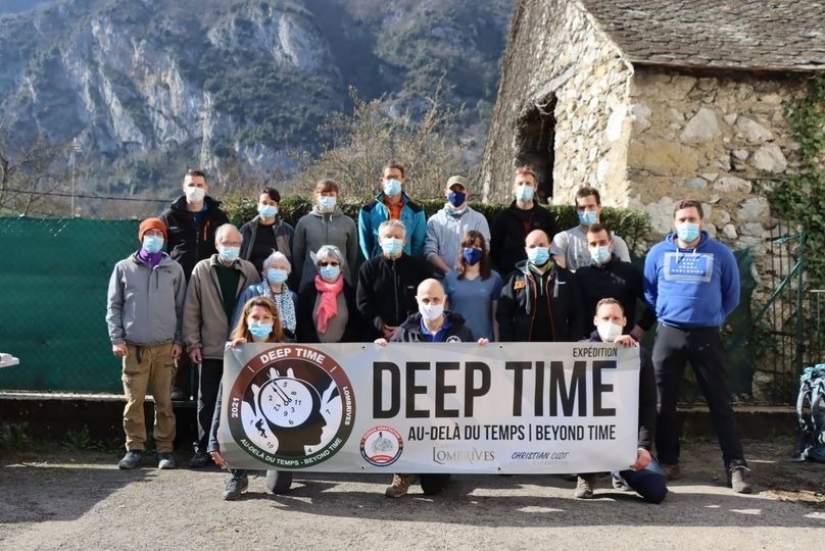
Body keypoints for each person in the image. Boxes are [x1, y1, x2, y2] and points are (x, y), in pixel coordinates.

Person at [644, 199, 751, 494]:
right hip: (669, 334)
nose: (687, 224)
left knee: (720, 402)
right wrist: (666, 312)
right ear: (674, 223)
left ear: (702, 222)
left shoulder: (721, 254)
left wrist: (712, 315)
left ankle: (736, 465)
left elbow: (732, 295)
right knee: (662, 402)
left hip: (706, 336)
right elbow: (650, 291)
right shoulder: (658, 253)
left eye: (692, 219)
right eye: (682, 219)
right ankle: (669, 461)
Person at [375, 278, 489, 498]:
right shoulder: (404, 333)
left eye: (436, 299)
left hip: (447, 413)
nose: (431, 304)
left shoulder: (462, 332)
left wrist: (483, 352)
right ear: (417, 300)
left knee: (433, 488)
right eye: (426, 300)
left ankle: (440, 466)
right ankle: (404, 473)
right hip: (413, 410)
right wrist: (380, 349)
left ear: (444, 300)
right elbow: (388, 365)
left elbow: (475, 369)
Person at [105, 218, 186, 470]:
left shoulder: (174, 269)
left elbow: (182, 308)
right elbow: (114, 306)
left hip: (165, 348)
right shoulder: (123, 268)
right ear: (141, 237)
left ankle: (165, 450)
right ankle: (134, 449)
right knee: (134, 402)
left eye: (159, 234)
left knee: (165, 402)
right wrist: (117, 338)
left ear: (164, 238)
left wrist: (179, 341)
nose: (154, 237)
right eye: (149, 233)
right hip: (133, 348)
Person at [574, 298, 668, 504]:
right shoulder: (578, 352)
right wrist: (611, 354)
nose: (611, 323)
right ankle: (587, 475)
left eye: (616, 318)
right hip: (588, 439)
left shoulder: (638, 355)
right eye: (605, 318)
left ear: (624, 321)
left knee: (656, 491)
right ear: (595, 321)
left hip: (624, 442)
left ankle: (618, 471)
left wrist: (643, 447)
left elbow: (648, 404)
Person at [183, 224, 260, 469]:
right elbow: (191, 309)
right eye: (226, 243)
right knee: (207, 400)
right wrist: (193, 344)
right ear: (217, 245)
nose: (231, 247)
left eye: (236, 243)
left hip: (241, 350)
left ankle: (238, 448)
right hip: (211, 348)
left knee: (242, 400)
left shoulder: (249, 270)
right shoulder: (202, 269)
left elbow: (257, 307)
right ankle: (203, 448)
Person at [208, 296, 292, 500]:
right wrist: (213, 442)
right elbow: (222, 401)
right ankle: (238, 475)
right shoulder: (235, 352)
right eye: (255, 317)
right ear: (246, 319)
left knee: (278, 487)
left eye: (266, 317)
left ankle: (279, 463)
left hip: (280, 423)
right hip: (249, 419)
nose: (260, 322)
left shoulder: (287, 350)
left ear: (274, 321)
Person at [159, 168, 230, 401]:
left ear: (206, 188)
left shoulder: (218, 217)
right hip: (178, 283)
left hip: (208, 283)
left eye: (199, 185)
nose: (195, 189)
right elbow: (159, 246)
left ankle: (203, 386)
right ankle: (179, 386)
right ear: (183, 187)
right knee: (179, 332)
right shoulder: (170, 215)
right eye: (191, 184)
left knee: (205, 332)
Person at [497, 229, 584, 342]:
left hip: (559, 346)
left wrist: (572, 342)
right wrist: (510, 343)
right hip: (523, 347)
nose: (537, 249)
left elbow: (578, 313)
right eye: (532, 246)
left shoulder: (566, 277)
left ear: (550, 246)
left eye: (541, 245)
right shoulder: (514, 278)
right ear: (526, 250)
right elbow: (504, 315)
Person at [575, 223, 656, 339]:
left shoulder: (630, 272)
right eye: (593, 244)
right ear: (587, 247)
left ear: (611, 243)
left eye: (602, 243)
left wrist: (641, 327)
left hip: (623, 341)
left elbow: (654, 301)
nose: (598, 247)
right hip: (589, 343)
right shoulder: (581, 275)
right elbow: (572, 309)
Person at [356, 219, 432, 341]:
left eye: (397, 237)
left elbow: (428, 301)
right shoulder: (368, 268)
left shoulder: (418, 268)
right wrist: (380, 325)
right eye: (388, 236)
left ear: (404, 241)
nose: (393, 240)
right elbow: (363, 303)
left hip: (412, 337)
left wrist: (404, 328)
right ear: (380, 241)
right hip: (377, 338)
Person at [490, 165, 558, 277]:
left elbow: (554, 246)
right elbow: (494, 250)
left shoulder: (545, 216)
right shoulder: (502, 217)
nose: (524, 187)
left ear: (535, 187)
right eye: (520, 183)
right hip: (510, 276)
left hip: (541, 275)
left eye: (528, 183)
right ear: (514, 188)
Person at [293, 180, 358, 292]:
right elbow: (297, 255)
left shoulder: (348, 223)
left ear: (337, 196)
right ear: (316, 196)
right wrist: (307, 273)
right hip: (310, 283)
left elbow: (352, 255)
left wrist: (342, 270)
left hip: (341, 284)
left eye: (331, 194)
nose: (327, 198)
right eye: (323, 194)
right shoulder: (304, 222)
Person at [423, 175, 490, 277]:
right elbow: (430, 251)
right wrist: (449, 273)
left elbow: (484, 249)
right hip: (441, 280)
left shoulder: (479, 220)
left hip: (471, 279)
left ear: (468, 192)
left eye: (461, 189)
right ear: (445, 192)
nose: (456, 193)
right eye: (453, 189)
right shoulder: (435, 221)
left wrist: (468, 273)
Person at [551, 186, 631, 272]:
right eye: (582, 208)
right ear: (577, 210)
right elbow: (560, 274)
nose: (587, 211)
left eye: (591, 206)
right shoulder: (563, 239)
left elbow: (625, 274)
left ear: (599, 207)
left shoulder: (617, 243)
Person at [358, 161, 426, 259]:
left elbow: (418, 244)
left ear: (403, 180)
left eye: (396, 177)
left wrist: (410, 264)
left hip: (406, 265)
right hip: (378, 265)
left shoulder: (416, 211)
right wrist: (373, 263)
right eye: (389, 177)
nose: (392, 181)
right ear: (382, 180)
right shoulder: (368, 210)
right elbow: (364, 242)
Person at [443, 230, 503, 341]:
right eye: (469, 246)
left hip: (484, 342)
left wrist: (497, 344)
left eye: (477, 246)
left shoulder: (494, 278)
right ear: (462, 249)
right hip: (457, 341)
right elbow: (444, 317)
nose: (472, 249)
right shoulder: (450, 278)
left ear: (483, 250)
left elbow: (496, 318)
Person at [296, 245, 361, 343]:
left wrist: (342, 346)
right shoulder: (308, 293)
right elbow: (303, 324)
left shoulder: (350, 293)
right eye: (324, 264)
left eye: (334, 263)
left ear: (340, 267)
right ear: (318, 267)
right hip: (314, 350)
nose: (329, 267)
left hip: (345, 350)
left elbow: (356, 324)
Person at [233, 251, 298, 341]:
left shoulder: (293, 297)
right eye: (274, 267)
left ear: (288, 273)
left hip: (284, 346)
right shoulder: (252, 291)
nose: (278, 270)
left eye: (282, 268)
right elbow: (239, 322)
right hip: (254, 344)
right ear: (265, 271)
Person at [238, 187, 295, 273]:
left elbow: (294, 259)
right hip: (251, 278)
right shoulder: (246, 230)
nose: (268, 206)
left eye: (272, 204)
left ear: (277, 206)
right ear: (258, 205)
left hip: (279, 279)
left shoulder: (287, 231)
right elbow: (238, 257)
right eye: (264, 203)